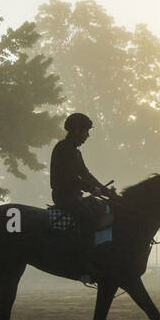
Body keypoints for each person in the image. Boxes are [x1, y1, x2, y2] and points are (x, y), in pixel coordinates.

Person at [51, 113, 116, 272]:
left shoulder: (75, 151)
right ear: (77, 130)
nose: (87, 136)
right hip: (64, 196)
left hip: (74, 195)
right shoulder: (64, 149)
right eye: (86, 131)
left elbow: (86, 174)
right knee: (88, 218)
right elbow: (71, 177)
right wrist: (91, 189)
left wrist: (107, 192)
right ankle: (84, 263)